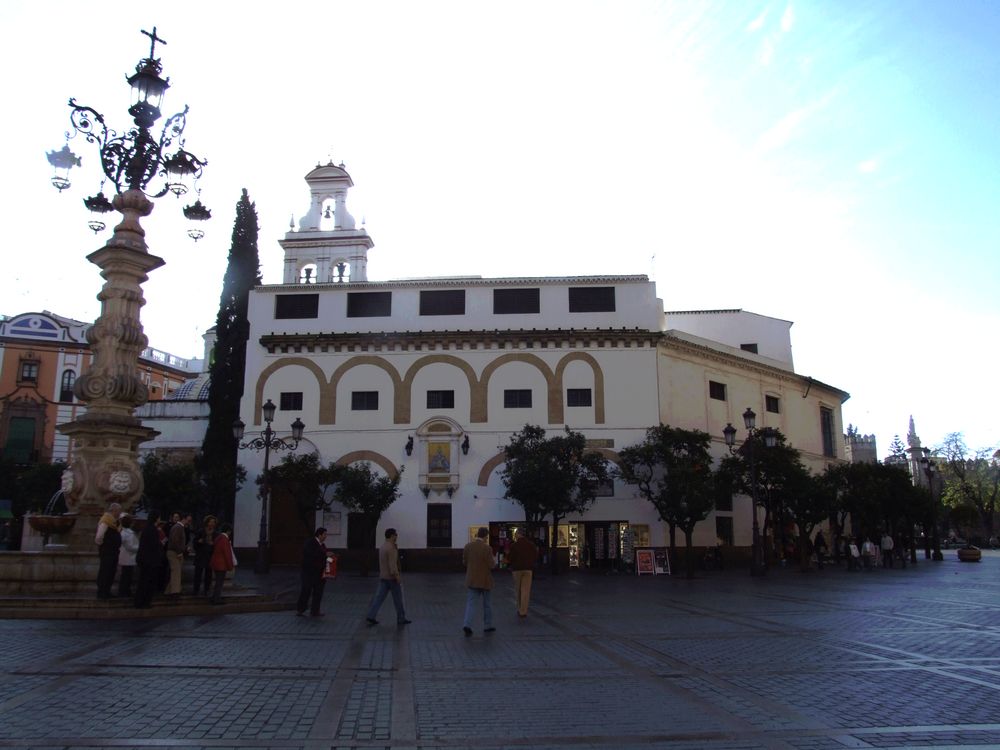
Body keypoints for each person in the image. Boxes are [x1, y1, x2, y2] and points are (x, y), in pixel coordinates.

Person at [365, 528, 411, 626]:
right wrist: (397, 576)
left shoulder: (383, 547)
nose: (397, 536)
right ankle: (401, 618)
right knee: (398, 599)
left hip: (383, 576)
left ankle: (371, 615)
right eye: (395, 534)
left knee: (378, 598)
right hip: (392, 578)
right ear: (392, 536)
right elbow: (393, 564)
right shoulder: (391, 548)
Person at [462, 526, 497, 636]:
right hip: (485, 580)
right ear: (486, 536)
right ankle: (488, 625)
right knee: (487, 604)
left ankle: (467, 624)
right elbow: (492, 565)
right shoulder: (487, 548)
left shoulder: (468, 546)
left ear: (477, 534)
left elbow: (464, 562)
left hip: (472, 579)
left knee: (471, 603)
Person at [297, 527, 329, 617]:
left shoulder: (322, 545)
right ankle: (301, 609)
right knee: (306, 590)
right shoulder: (310, 543)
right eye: (325, 534)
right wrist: (324, 555)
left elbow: (323, 555)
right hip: (309, 572)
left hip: (319, 573)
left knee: (318, 592)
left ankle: (315, 611)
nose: (326, 536)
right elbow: (310, 554)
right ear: (319, 535)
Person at [134, 511, 163, 609]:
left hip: (145, 560)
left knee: (143, 582)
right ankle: (144, 602)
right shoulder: (152, 530)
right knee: (148, 582)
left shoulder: (147, 528)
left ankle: (140, 601)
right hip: (150, 561)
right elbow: (154, 545)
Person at [507, 528, 538, 618]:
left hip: (517, 570)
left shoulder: (514, 545)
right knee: (526, 590)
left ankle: (519, 608)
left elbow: (510, 558)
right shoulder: (531, 545)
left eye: (516, 533)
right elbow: (535, 555)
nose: (515, 535)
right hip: (528, 569)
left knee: (518, 589)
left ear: (519, 534)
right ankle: (523, 611)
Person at [95, 502, 122, 599]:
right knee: (105, 571)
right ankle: (102, 592)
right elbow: (99, 536)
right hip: (107, 551)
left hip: (113, 551)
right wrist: (104, 545)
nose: (120, 513)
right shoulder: (106, 520)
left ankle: (107, 590)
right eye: (119, 511)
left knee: (111, 571)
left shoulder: (115, 522)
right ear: (114, 510)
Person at [165, 513, 190, 598]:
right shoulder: (178, 527)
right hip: (174, 552)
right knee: (176, 571)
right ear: (184, 519)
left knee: (176, 571)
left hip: (175, 551)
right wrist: (179, 551)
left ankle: (170, 590)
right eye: (188, 520)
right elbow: (175, 540)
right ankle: (175, 591)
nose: (189, 522)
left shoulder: (179, 527)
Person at [209, 524, 235, 605]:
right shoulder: (224, 539)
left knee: (217, 581)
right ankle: (217, 598)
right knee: (219, 582)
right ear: (228, 531)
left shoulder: (218, 538)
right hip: (221, 564)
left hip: (216, 562)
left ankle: (214, 597)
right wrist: (230, 565)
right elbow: (227, 553)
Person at [192, 515, 217, 596]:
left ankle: (206, 589)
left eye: (213, 522)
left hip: (210, 556)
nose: (212, 524)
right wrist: (199, 542)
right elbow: (195, 543)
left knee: (208, 574)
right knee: (198, 574)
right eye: (210, 522)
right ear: (207, 523)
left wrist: (213, 545)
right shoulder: (201, 531)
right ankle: (196, 590)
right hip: (201, 555)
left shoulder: (216, 533)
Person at [117, 514, 139, 598]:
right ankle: (124, 591)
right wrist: (139, 548)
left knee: (126, 575)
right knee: (127, 575)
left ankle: (124, 591)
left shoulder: (123, 532)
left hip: (125, 556)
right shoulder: (128, 533)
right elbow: (130, 546)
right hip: (129, 556)